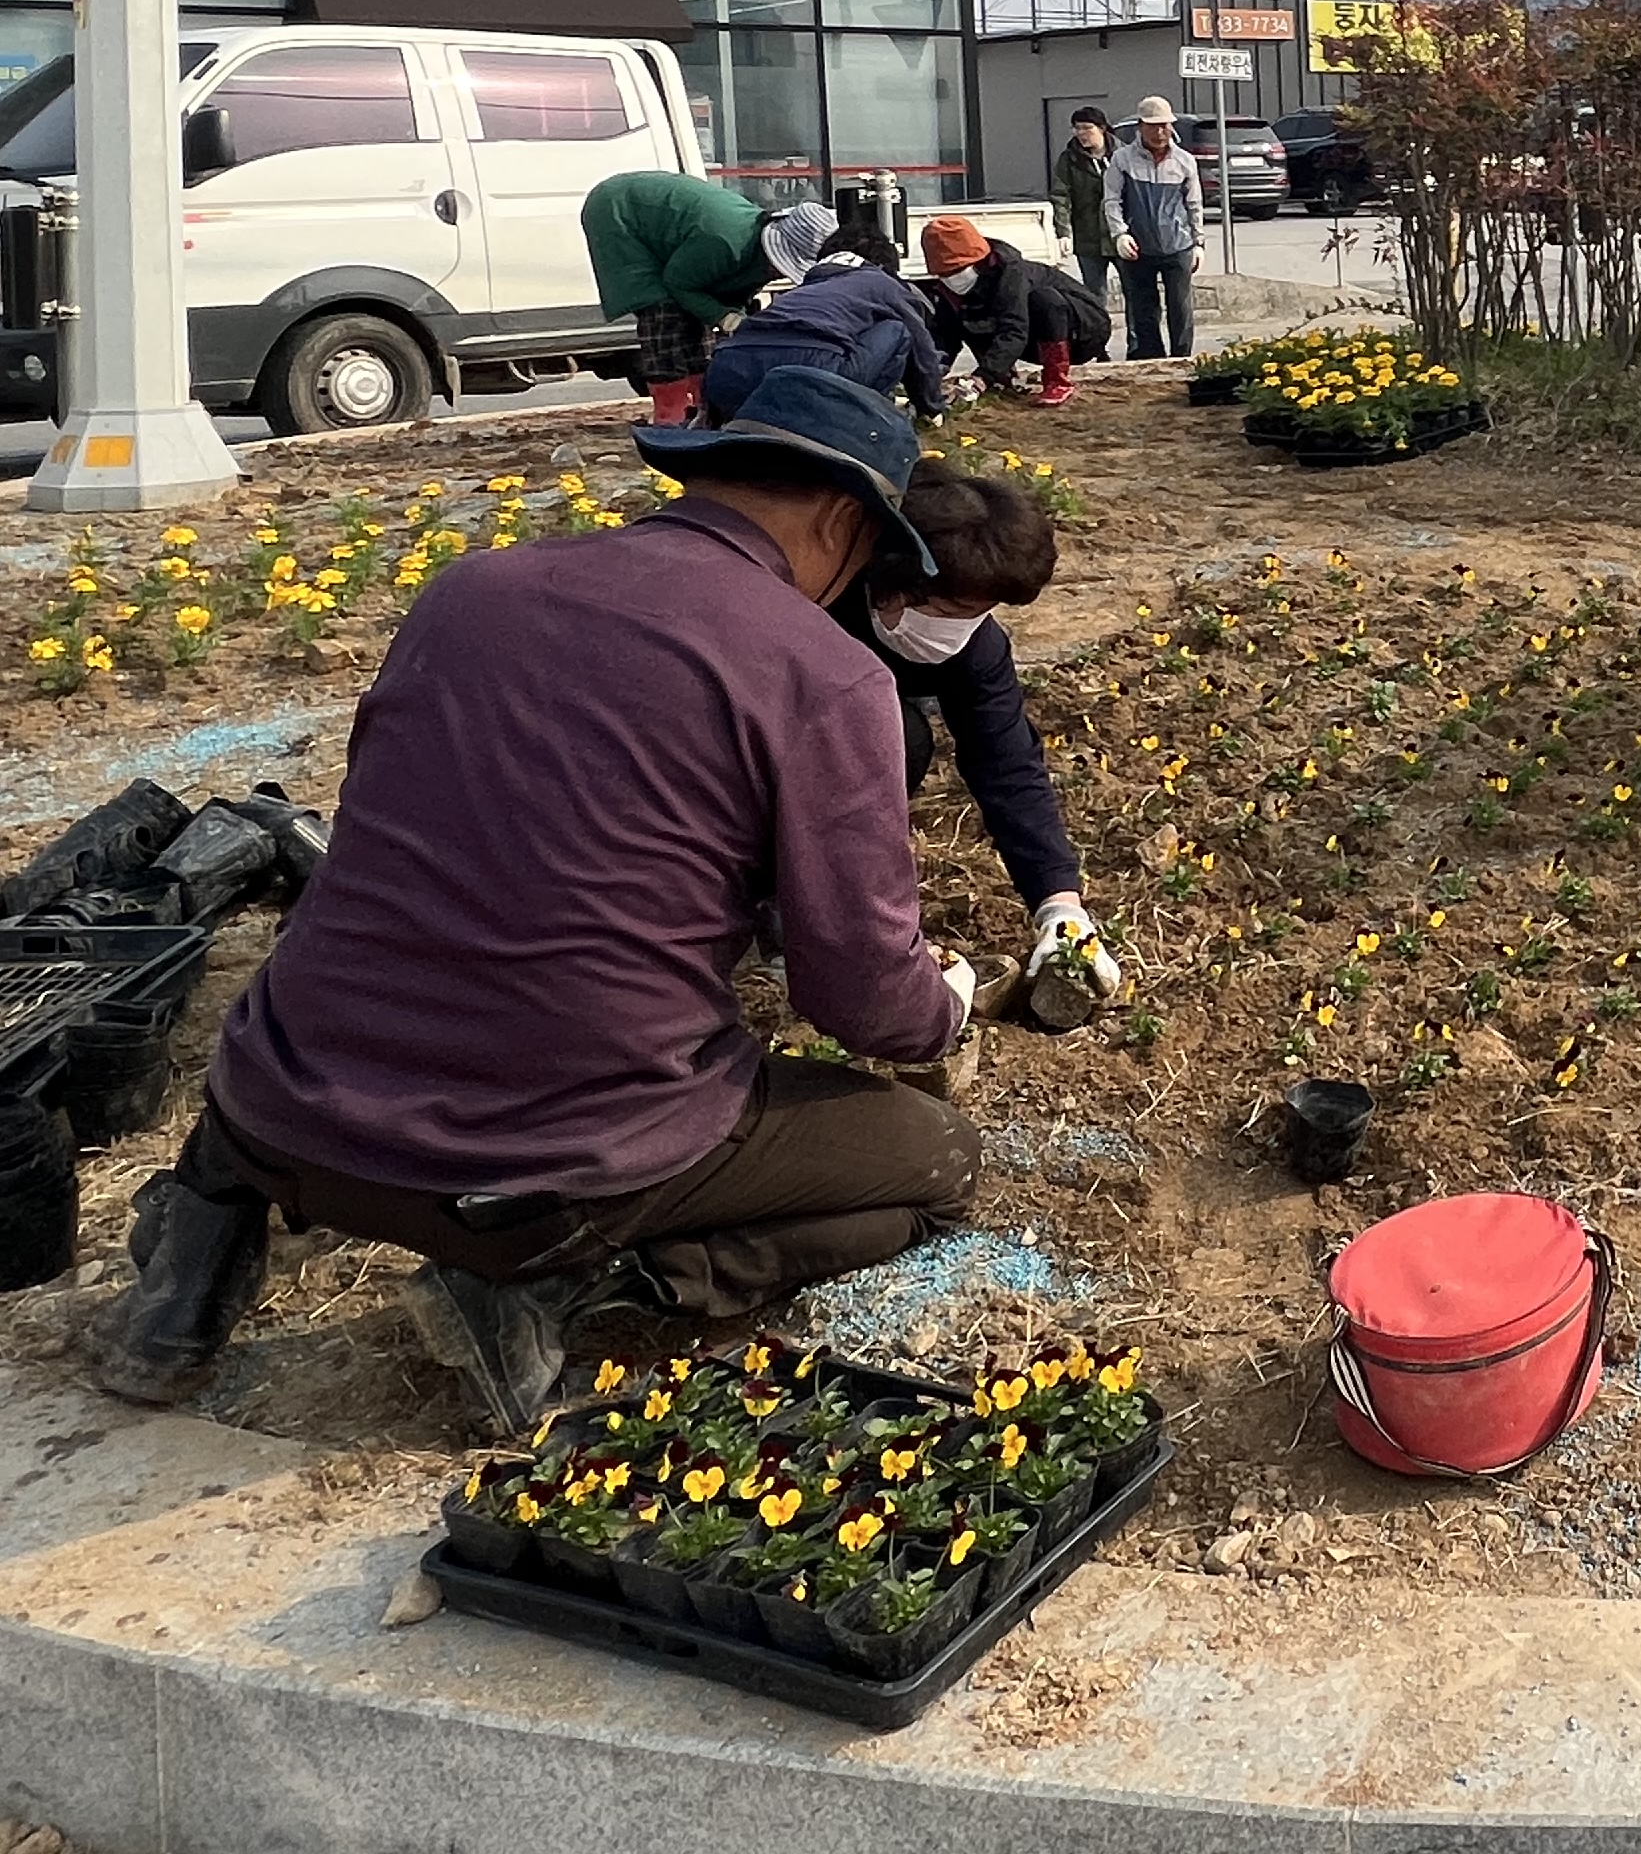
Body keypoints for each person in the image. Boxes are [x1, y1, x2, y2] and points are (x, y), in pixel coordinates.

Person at [93, 371, 981, 1434]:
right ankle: (563, 1288)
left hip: (278, 1107)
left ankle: (190, 1271)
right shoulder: (822, 674)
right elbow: (860, 994)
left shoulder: (471, 589)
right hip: (537, 1178)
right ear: (842, 520)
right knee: (934, 1163)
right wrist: (944, 1011)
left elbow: (389, 812)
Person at [856, 458, 1124, 1031]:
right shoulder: (819, 599)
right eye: (955, 611)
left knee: (896, 737)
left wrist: (1059, 903)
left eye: (981, 614)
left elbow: (1007, 764)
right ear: (895, 586)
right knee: (889, 734)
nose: (961, 631)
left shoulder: (974, 649)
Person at [703, 203, 947, 424]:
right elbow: (922, 349)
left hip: (728, 369)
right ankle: (868, 419)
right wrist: (931, 406)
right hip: (812, 369)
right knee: (897, 329)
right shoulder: (882, 283)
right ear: (884, 266)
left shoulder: (806, 289)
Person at [580, 169, 782, 425]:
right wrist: (723, 317)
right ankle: (670, 413)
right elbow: (678, 283)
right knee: (664, 315)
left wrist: (734, 317)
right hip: (620, 212)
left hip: (676, 234)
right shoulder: (724, 242)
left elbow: (731, 292)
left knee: (701, 336)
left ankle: (704, 408)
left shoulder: (758, 253)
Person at [919, 215, 1107, 406]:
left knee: (1044, 300)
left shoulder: (1011, 275)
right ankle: (1001, 379)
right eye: (946, 273)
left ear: (979, 261)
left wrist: (982, 377)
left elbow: (1014, 329)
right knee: (970, 317)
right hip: (1032, 341)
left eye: (958, 270)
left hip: (1083, 332)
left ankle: (1057, 381)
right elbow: (947, 336)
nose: (953, 279)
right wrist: (929, 375)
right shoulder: (946, 291)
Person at [1112, 96, 1204, 362]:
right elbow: (1112, 200)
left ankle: (1182, 359)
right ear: (1140, 126)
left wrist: (1198, 243)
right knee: (1144, 309)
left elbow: (1194, 204)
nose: (1160, 132)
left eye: (1164, 125)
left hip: (1178, 245)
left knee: (1180, 308)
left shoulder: (1185, 161)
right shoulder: (1122, 160)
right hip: (1138, 247)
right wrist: (1120, 233)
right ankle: (1151, 361)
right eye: (1153, 126)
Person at [1051, 107, 1120, 317]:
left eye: (1087, 128)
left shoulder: (1123, 155)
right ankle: (1098, 335)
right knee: (1094, 295)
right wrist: (1064, 232)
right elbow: (1061, 196)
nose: (1081, 133)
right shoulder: (1069, 159)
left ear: (1102, 128)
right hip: (1087, 237)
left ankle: (1138, 338)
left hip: (1121, 235)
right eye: (1077, 128)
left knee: (1135, 292)